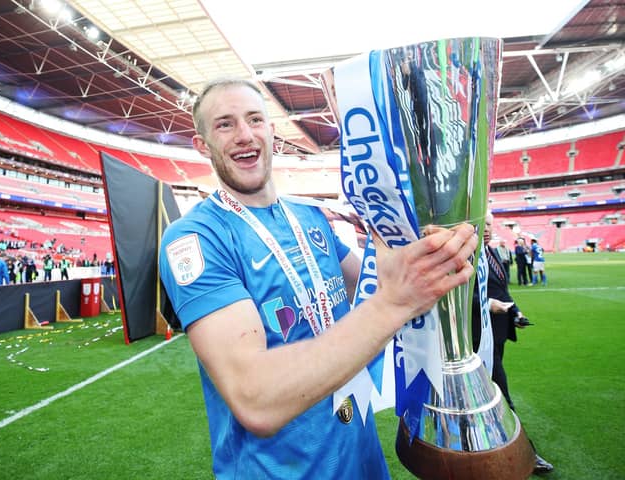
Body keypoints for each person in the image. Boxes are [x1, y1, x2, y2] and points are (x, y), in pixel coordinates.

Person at [158, 77, 478, 479]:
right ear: (202, 145)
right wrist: (394, 303)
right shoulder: (195, 239)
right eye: (224, 124)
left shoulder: (309, 216)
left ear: (271, 132)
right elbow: (254, 398)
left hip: (361, 460)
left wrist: (437, 233)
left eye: (255, 119)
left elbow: (376, 281)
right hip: (281, 470)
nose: (244, 135)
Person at [472, 213, 553, 475]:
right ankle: (526, 454)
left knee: (488, 392)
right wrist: (486, 305)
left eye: (489, 225)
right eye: (481, 225)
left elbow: (502, 292)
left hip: (497, 334)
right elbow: (457, 296)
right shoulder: (466, 257)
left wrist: (515, 312)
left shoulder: (492, 253)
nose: (486, 230)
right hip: (477, 338)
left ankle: (483, 446)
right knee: (501, 394)